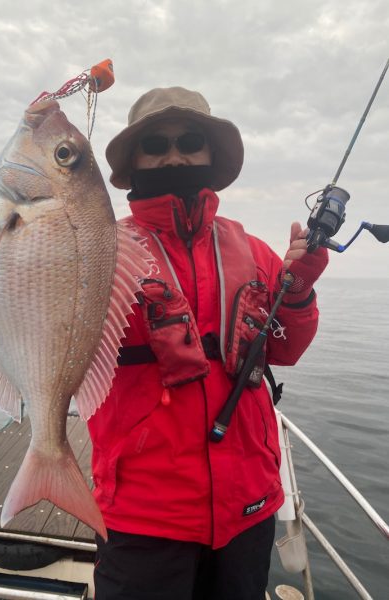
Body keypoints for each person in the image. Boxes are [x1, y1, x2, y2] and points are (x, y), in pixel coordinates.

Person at [87, 86, 328, 600]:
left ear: (210, 155)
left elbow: (286, 349)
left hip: (250, 505)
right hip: (143, 514)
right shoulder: (99, 253)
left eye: (190, 140)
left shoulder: (255, 250)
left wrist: (299, 287)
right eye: (155, 144)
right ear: (134, 162)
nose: (174, 155)